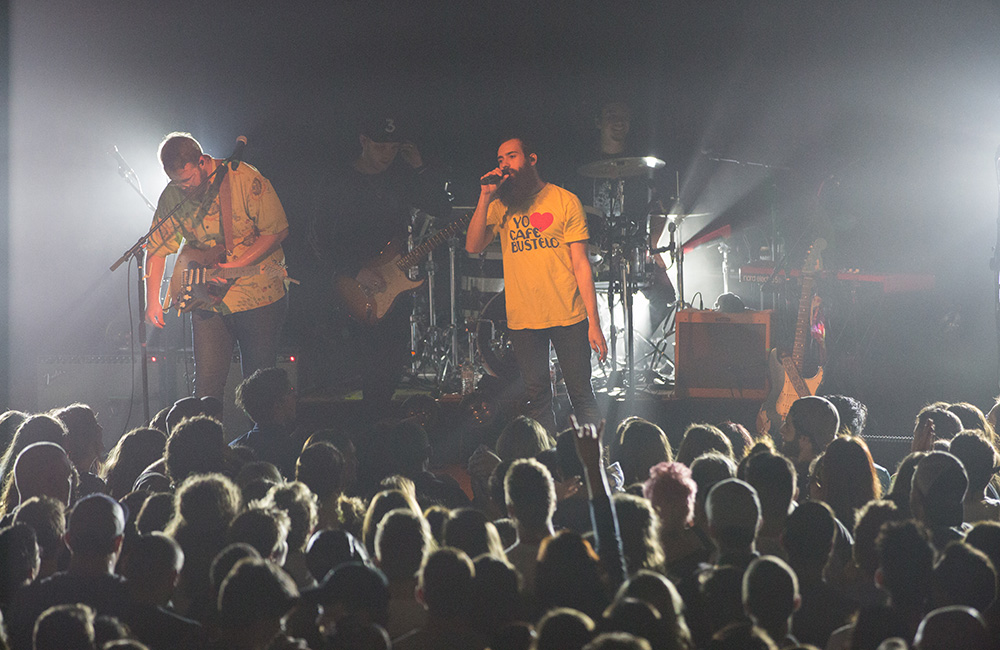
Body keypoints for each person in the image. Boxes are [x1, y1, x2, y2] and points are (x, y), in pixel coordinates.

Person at [306, 114, 450, 421]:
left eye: (394, 148)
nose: (388, 154)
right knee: (357, 372)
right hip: (349, 290)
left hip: (393, 289)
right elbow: (317, 239)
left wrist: (419, 167)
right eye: (381, 147)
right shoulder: (337, 181)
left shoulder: (400, 179)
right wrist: (354, 271)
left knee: (389, 371)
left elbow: (442, 210)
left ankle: (381, 432)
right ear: (363, 142)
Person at [467, 136, 607, 432]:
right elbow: (472, 245)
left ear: (531, 160)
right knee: (538, 399)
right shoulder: (501, 204)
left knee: (581, 395)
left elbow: (582, 264)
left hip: (567, 313)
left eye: (512, 156)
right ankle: (549, 467)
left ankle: (596, 464)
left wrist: (593, 322)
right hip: (523, 318)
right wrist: (484, 197)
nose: (505, 164)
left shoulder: (564, 200)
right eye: (501, 159)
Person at [144, 132, 290, 401]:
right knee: (206, 389)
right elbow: (155, 249)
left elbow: (277, 232)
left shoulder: (242, 178)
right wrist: (152, 300)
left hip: (258, 294)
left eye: (187, 180)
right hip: (208, 299)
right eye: (175, 181)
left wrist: (237, 264)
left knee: (260, 387)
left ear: (202, 162)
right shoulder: (173, 195)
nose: (183, 187)